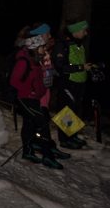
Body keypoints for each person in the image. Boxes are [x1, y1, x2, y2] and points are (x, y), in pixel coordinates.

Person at [9, 33, 68, 169]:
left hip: (34, 98)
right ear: (35, 47)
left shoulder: (35, 61)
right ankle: (48, 156)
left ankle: (28, 152)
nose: (44, 49)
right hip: (25, 98)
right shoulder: (24, 61)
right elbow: (14, 80)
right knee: (42, 123)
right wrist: (30, 90)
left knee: (30, 124)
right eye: (41, 47)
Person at [51, 19, 94, 149]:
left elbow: (77, 62)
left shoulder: (79, 45)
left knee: (74, 109)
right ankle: (65, 140)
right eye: (83, 31)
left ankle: (72, 136)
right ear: (75, 32)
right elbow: (60, 66)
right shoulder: (63, 45)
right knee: (66, 110)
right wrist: (81, 67)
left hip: (79, 83)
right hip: (68, 82)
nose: (86, 33)